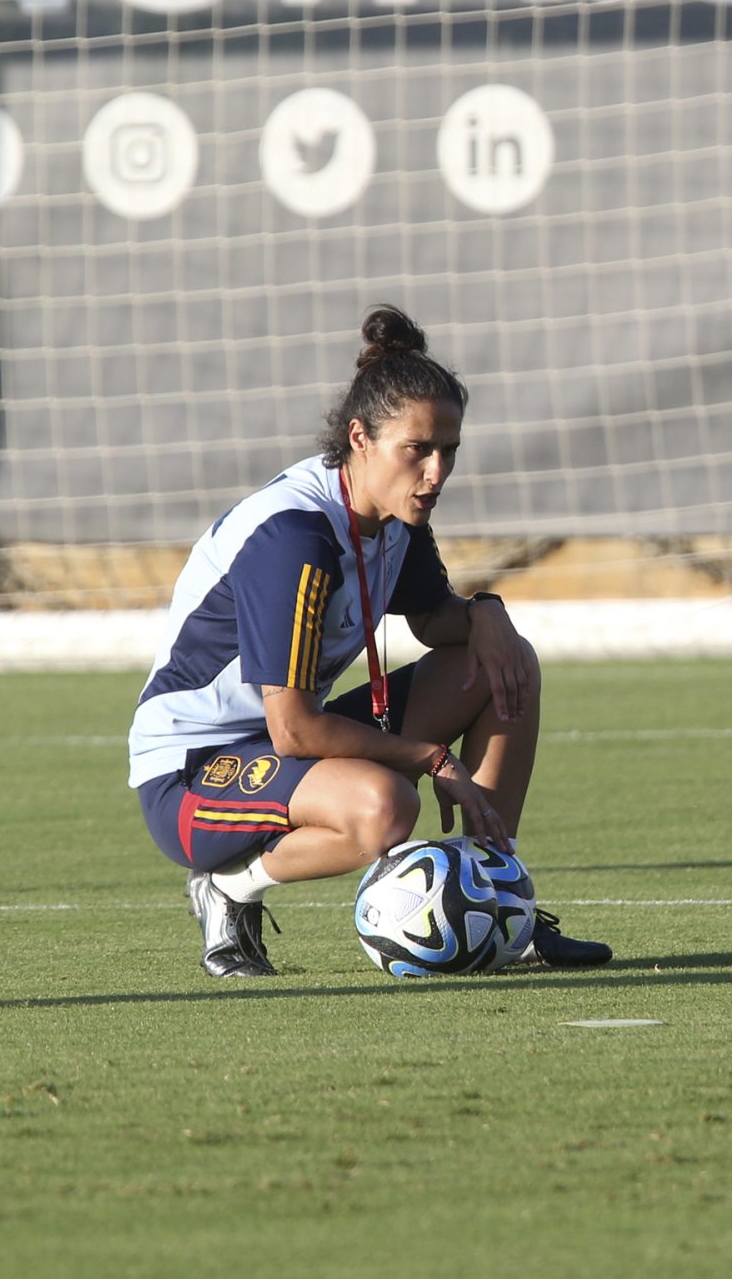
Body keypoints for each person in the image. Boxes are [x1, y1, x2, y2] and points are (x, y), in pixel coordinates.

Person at [127, 307, 608, 977]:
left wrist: (488, 613)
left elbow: (437, 621)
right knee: (386, 808)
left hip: (283, 741)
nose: (437, 471)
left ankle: (500, 904)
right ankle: (227, 888)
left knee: (503, 663)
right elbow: (293, 729)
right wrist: (432, 757)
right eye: (419, 449)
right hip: (191, 775)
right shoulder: (296, 537)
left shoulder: (393, 512)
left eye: (450, 450)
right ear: (360, 436)